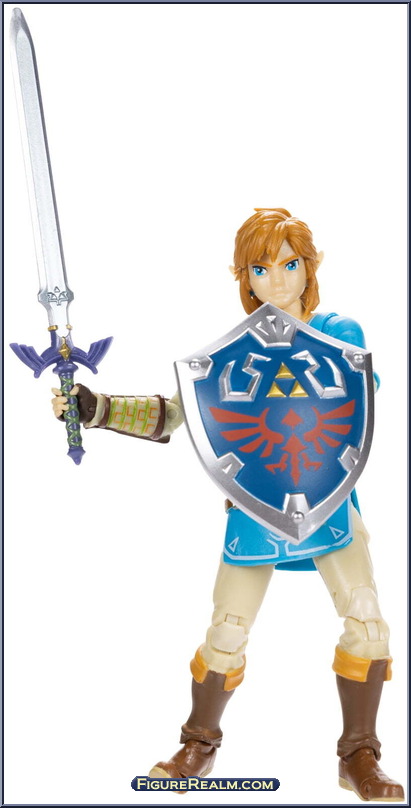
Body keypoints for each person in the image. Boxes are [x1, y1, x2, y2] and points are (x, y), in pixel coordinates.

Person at [52, 209, 404, 801]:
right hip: (257, 510)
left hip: (330, 506)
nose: (278, 280)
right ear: (245, 277)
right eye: (261, 269)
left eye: (289, 264)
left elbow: (353, 397)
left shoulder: (339, 334)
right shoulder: (232, 354)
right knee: (227, 631)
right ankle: (199, 743)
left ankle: (359, 755)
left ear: (310, 266)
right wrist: (98, 409)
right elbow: (176, 414)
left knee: (367, 621)